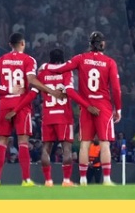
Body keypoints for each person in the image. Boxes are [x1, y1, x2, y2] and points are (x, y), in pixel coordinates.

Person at [0, 32, 62, 187]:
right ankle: (26, 180)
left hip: (5, 104)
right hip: (22, 105)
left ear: (10, 44)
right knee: (23, 142)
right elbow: (31, 80)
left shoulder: (0, 60)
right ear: (23, 43)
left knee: (1, 142)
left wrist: (6, 90)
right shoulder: (29, 60)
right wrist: (50, 90)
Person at [66, 30, 123, 185]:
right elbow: (116, 89)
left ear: (90, 44)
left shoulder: (81, 58)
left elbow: (65, 68)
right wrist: (118, 109)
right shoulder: (109, 62)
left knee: (85, 143)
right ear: (103, 44)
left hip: (86, 106)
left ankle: (83, 179)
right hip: (103, 106)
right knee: (104, 143)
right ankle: (107, 179)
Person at [29, 47, 90, 186]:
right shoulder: (66, 71)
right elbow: (69, 90)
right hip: (64, 116)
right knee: (66, 149)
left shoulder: (43, 72)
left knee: (46, 148)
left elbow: (34, 87)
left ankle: (48, 180)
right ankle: (66, 180)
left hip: (48, 115)